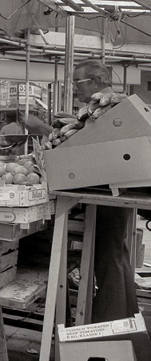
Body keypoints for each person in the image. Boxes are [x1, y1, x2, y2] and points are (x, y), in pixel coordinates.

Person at [66, 59, 139, 322]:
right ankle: (128, 317)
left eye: (78, 82)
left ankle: (111, 323)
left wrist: (43, 130)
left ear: (96, 82)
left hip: (108, 192)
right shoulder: (97, 110)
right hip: (115, 190)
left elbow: (90, 150)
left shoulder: (110, 108)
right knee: (117, 254)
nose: (75, 87)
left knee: (107, 258)